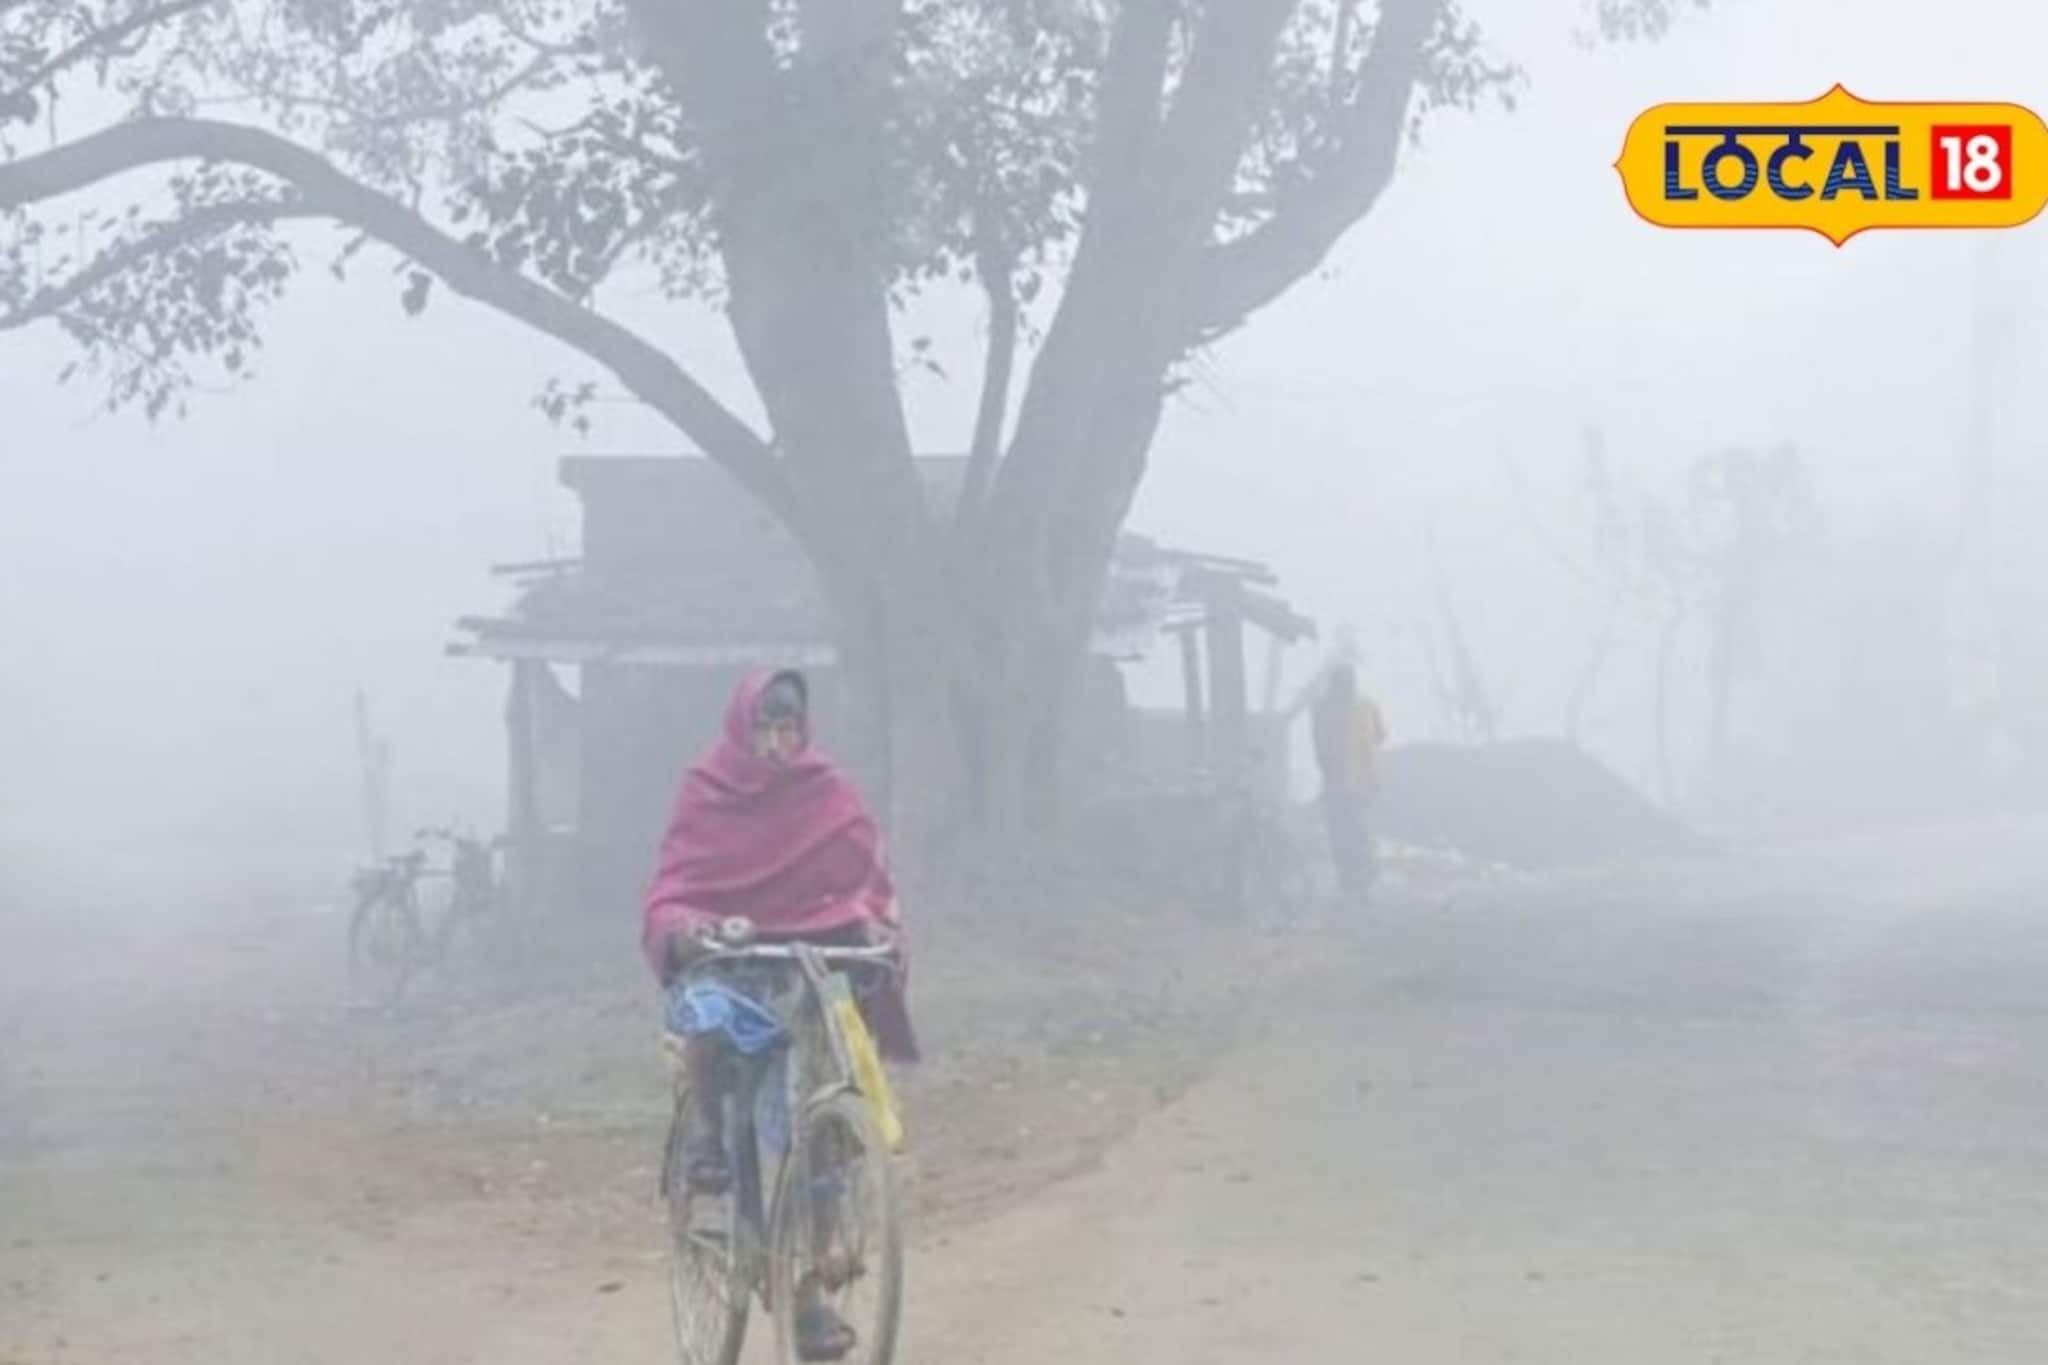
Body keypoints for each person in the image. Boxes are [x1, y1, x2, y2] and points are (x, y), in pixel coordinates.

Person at [642, 670, 917, 1356]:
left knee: (819, 1116)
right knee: (707, 1016)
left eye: (788, 727)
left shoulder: (828, 792)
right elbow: (676, 883)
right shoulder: (708, 789)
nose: (776, 743)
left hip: (804, 971)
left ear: (804, 728)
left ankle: (811, 1290)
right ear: (744, 727)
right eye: (765, 727)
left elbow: (865, 879)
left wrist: (877, 925)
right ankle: (706, 1148)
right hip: (732, 969)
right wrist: (691, 928)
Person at [1289, 657, 1387, 904]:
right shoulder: (1365, 706)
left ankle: (1354, 883)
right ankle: (1359, 883)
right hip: (1355, 783)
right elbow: (1380, 736)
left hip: (1341, 784)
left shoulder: (1323, 709)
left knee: (1346, 835)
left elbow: (1320, 746)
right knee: (1356, 834)